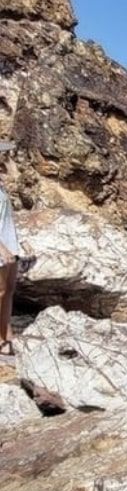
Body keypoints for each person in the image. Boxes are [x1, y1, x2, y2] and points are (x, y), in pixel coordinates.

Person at [0, 142, 21, 356]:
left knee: (9, 291)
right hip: (2, 248)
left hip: (10, 244)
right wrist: (2, 249)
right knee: (0, 292)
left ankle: (7, 333)